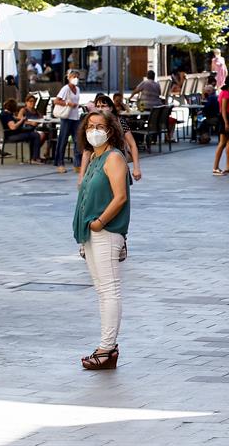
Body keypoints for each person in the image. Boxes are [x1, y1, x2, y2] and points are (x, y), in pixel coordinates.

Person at [72, 109, 130, 370]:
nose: (93, 130)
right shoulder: (95, 157)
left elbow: (120, 197)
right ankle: (107, 346)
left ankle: (107, 348)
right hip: (91, 234)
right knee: (101, 290)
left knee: (109, 290)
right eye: (89, 126)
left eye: (99, 126)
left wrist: (99, 222)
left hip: (105, 232)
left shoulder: (114, 157)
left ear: (110, 130)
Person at [86, 95, 142, 182]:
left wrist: (136, 168)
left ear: (111, 108)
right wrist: (82, 174)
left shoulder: (119, 121)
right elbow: (87, 150)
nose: (100, 109)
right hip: (98, 164)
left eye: (103, 106)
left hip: (117, 162)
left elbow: (132, 145)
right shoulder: (93, 124)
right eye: (98, 106)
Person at [53, 70, 82, 174]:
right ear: (68, 77)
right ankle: (60, 163)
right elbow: (56, 101)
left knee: (78, 141)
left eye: (77, 76)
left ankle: (78, 164)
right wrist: (67, 103)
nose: (75, 78)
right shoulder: (65, 89)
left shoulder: (77, 89)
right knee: (63, 140)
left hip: (75, 117)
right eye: (73, 76)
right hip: (66, 117)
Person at [0, 98, 42, 164]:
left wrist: (18, 119)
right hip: (11, 136)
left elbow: (12, 120)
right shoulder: (7, 116)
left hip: (6, 134)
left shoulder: (3, 113)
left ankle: (33, 157)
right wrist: (21, 121)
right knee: (35, 135)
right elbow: (13, 127)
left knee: (32, 132)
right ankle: (34, 158)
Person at [213, 75, 229, 176]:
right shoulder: (226, 93)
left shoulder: (226, 93)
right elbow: (223, 109)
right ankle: (215, 167)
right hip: (226, 119)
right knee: (222, 143)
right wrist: (226, 123)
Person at [18, 94, 49, 159]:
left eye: (34, 101)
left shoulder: (35, 111)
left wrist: (40, 120)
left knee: (49, 133)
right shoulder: (23, 110)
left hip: (35, 129)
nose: (32, 103)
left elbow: (41, 118)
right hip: (26, 129)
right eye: (30, 101)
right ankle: (35, 153)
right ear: (26, 102)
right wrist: (30, 123)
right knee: (42, 135)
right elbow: (18, 120)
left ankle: (42, 152)